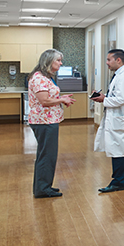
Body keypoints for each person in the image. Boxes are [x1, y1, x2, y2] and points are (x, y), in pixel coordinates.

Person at [27, 49, 75, 199]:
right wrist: (61, 100)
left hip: (48, 121)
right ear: (48, 62)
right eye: (58, 60)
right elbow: (44, 101)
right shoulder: (39, 78)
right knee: (47, 155)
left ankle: (44, 186)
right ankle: (42, 189)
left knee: (47, 155)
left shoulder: (45, 78)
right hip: (44, 122)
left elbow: (48, 96)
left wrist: (61, 97)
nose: (61, 63)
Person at [92, 49, 124, 194]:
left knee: (119, 149)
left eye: (108, 60)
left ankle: (118, 182)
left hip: (121, 118)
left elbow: (121, 99)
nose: (107, 63)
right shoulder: (120, 75)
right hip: (121, 118)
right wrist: (105, 96)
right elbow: (118, 95)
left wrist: (103, 99)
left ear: (118, 60)